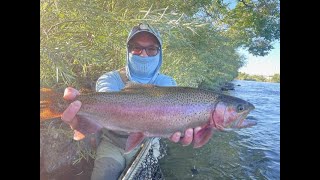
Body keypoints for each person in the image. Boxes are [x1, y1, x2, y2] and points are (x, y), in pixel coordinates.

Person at [61, 23, 203, 180]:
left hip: (147, 145)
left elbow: (175, 120)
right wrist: (81, 116)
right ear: (127, 50)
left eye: (151, 49)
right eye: (136, 48)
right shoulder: (109, 79)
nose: (143, 54)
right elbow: (106, 102)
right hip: (112, 144)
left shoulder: (167, 83)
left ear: (159, 52)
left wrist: (182, 128)